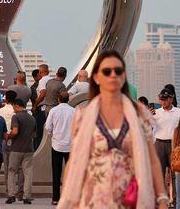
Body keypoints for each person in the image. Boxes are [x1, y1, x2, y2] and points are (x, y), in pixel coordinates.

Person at [58, 50, 168, 209]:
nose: (113, 75)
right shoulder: (83, 116)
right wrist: (67, 199)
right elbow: (74, 162)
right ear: (96, 77)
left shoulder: (139, 113)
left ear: (124, 76)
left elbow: (152, 160)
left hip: (131, 200)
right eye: (107, 71)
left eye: (118, 71)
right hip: (92, 201)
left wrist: (162, 199)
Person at [151, 88, 180, 203]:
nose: (163, 102)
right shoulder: (156, 112)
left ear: (171, 99)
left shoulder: (179, 112)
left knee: (175, 174)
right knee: (160, 173)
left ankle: (175, 199)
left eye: (165, 99)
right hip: (159, 143)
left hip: (174, 144)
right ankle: (161, 200)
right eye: (161, 99)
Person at [45, 91, 75, 205]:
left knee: (56, 173)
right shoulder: (74, 111)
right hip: (70, 146)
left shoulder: (54, 111)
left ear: (58, 99)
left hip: (56, 145)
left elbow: (48, 127)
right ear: (68, 99)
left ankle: (55, 198)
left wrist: (52, 135)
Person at [6, 98, 35, 204]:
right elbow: (34, 135)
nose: (13, 109)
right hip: (29, 149)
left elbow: (15, 131)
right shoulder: (32, 118)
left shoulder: (16, 117)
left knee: (12, 171)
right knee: (28, 173)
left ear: (17, 106)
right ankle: (26, 197)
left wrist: (8, 136)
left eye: (13, 107)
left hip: (16, 149)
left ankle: (11, 195)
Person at [32, 65, 51, 150]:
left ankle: (38, 152)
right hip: (51, 108)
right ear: (48, 71)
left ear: (40, 72)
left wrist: (35, 105)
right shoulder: (52, 80)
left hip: (42, 109)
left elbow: (42, 94)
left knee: (40, 132)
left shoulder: (42, 80)